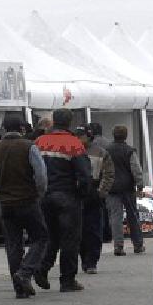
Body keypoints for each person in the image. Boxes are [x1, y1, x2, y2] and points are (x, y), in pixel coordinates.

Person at [0, 113, 49, 299]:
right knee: (41, 237)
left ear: (3, 129)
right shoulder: (29, 147)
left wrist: (0, 194)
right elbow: (41, 175)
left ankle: (19, 287)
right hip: (28, 200)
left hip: (6, 203)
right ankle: (25, 272)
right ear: (22, 129)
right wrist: (39, 193)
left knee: (13, 244)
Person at [34, 109, 92, 293]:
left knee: (49, 236)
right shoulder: (74, 144)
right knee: (70, 239)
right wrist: (82, 194)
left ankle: (42, 268)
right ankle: (67, 280)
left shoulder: (40, 142)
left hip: (44, 196)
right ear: (69, 122)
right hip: (67, 196)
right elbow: (84, 174)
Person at [74, 125, 115, 274]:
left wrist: (101, 192)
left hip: (94, 194)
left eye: (81, 136)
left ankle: (91, 261)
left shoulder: (100, 152)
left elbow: (108, 173)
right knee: (79, 230)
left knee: (94, 230)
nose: (78, 139)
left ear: (88, 136)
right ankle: (83, 257)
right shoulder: (72, 151)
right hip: (77, 195)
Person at [105, 125, 147, 256]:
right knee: (133, 216)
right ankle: (138, 245)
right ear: (126, 135)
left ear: (113, 134)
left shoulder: (106, 150)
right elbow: (136, 170)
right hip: (128, 188)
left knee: (115, 217)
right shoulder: (129, 151)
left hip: (111, 188)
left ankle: (118, 246)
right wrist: (140, 186)